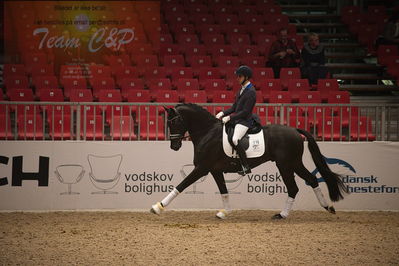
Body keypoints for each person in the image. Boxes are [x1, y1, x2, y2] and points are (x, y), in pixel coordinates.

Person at [215, 65, 256, 175]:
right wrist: (223, 113)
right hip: (237, 120)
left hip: (244, 121)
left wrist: (230, 117)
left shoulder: (251, 91)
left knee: (235, 139)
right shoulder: (241, 90)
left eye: (240, 76)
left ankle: (246, 166)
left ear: (246, 77)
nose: (237, 78)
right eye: (237, 76)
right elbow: (234, 108)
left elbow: (245, 112)